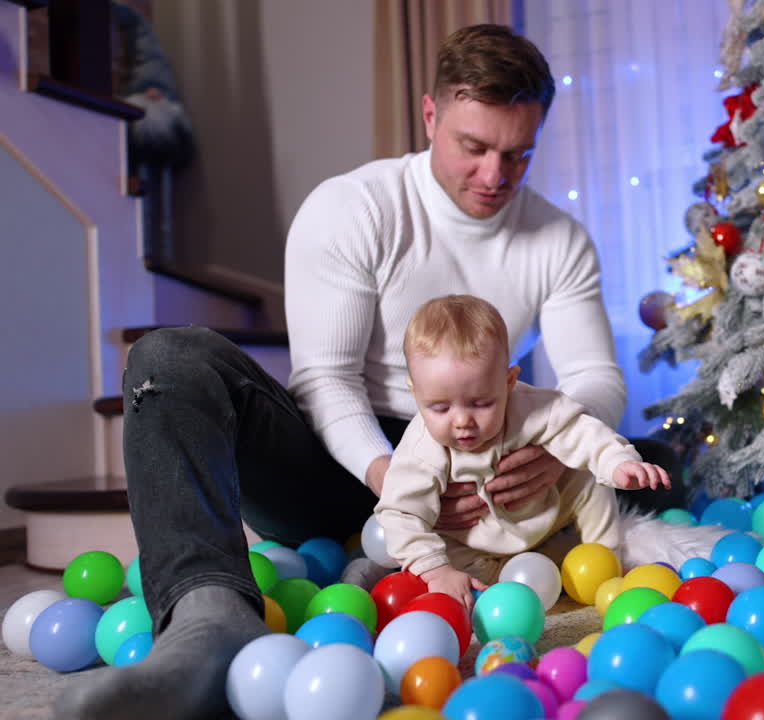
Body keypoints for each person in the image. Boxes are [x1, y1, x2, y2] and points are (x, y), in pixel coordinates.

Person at [58, 24, 688, 720]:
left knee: (655, 459)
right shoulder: (354, 208)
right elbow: (325, 379)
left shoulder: (558, 240)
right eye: (472, 148)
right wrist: (399, 481)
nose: (494, 176)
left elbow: (596, 378)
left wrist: (541, 451)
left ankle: (388, 556)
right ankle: (208, 619)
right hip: (349, 466)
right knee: (167, 358)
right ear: (429, 116)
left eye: (518, 154)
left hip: (486, 466)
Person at [379, 295, 671, 611]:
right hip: (472, 543)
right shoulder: (422, 448)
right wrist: (437, 569)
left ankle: (605, 557)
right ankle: (509, 577)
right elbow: (400, 513)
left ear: (509, 382)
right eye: (439, 407)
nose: (462, 421)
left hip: (541, 516)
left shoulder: (532, 406)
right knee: (459, 581)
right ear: (416, 392)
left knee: (588, 474)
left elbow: (580, 429)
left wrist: (617, 462)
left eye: (481, 403)